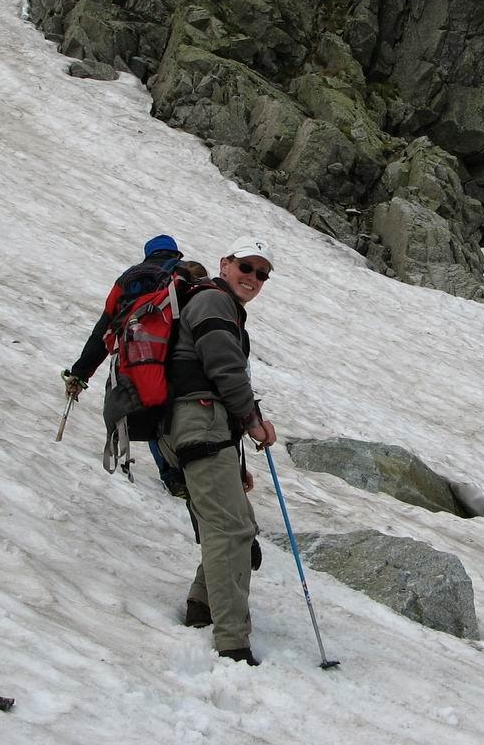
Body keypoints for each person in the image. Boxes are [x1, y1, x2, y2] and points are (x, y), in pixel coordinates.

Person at [160, 235, 277, 666]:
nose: (253, 278)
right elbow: (223, 368)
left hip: (200, 426)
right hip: (198, 424)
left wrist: (239, 441)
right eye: (246, 267)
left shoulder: (218, 304)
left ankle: (202, 605)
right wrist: (252, 422)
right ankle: (232, 644)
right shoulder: (213, 303)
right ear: (224, 264)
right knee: (230, 530)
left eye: (262, 274)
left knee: (234, 523)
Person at [64, 234, 187, 493]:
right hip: (172, 355)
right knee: (170, 411)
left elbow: (103, 328)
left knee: (150, 407)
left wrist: (81, 372)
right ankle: (181, 473)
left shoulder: (127, 280)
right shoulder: (180, 275)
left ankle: (171, 477)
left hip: (131, 357)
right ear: (175, 254)